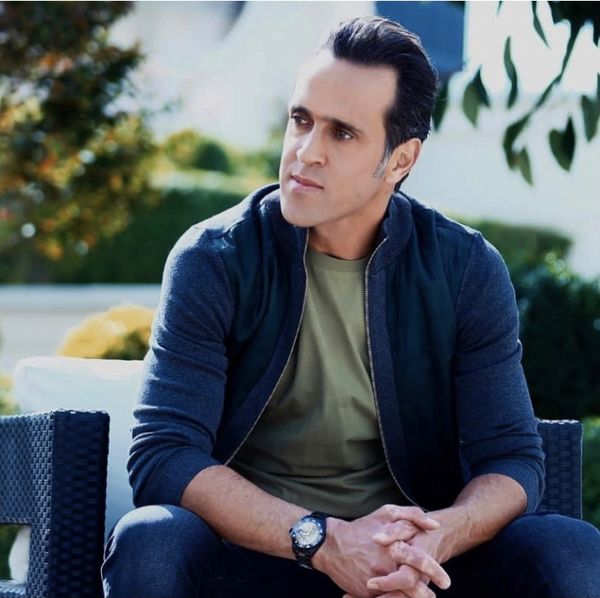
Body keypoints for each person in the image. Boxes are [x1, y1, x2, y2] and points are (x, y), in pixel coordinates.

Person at [102, 15, 600, 598]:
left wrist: (433, 541)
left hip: (414, 563)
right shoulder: (215, 258)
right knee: (152, 540)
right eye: (301, 120)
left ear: (401, 160)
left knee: (571, 550)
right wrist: (325, 541)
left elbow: (513, 460)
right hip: (259, 557)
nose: (305, 152)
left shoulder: (465, 269)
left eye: (341, 134)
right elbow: (164, 455)